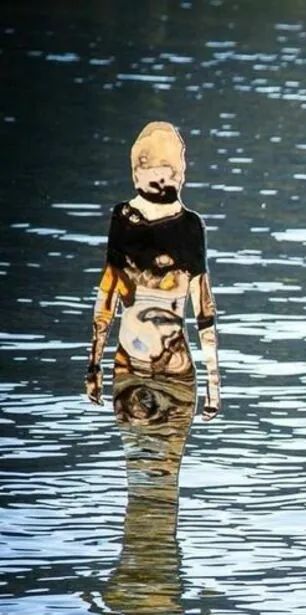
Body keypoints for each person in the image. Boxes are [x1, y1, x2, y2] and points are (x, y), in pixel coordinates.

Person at [85, 121, 220, 516]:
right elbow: (204, 311)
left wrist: (93, 365)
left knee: (145, 486)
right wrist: (214, 384)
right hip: (161, 370)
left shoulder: (151, 222)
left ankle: (144, 570)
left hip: (140, 366)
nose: (167, 178)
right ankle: (157, 572)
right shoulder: (132, 222)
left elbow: (106, 299)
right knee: (158, 489)